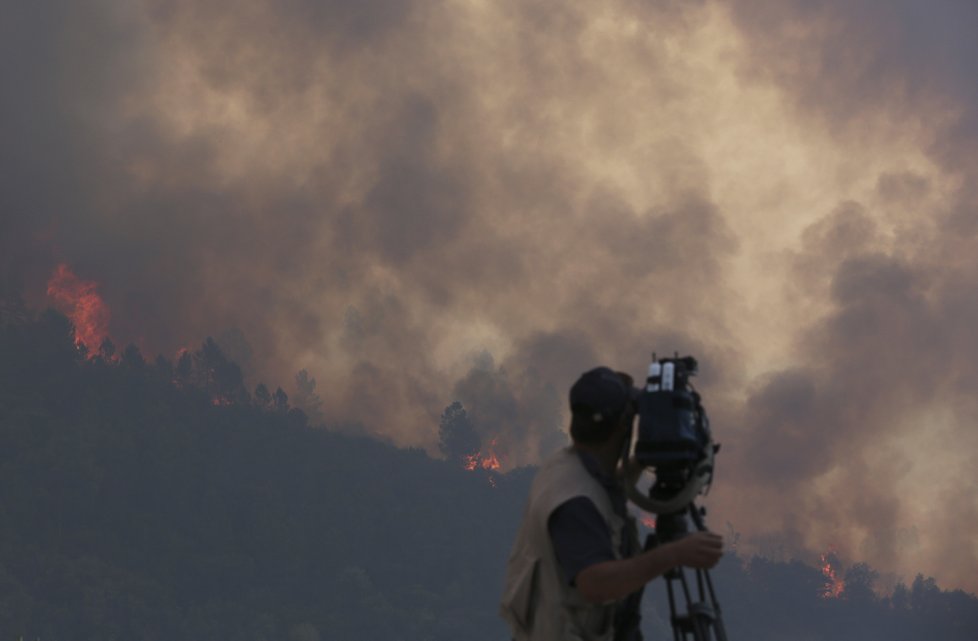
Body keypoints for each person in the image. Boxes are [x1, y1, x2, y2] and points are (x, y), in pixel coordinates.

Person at [500, 366, 724, 641]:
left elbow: (603, 487)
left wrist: (645, 457)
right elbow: (596, 584)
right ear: (623, 426)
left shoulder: (564, 468)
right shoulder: (576, 501)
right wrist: (675, 554)